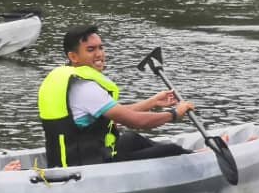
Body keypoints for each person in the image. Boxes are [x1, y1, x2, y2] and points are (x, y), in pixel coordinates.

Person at [37, 25, 197, 168]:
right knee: (172, 150)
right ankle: (195, 156)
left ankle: (192, 154)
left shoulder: (68, 80)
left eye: (101, 48)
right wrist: (175, 114)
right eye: (91, 50)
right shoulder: (85, 88)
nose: (99, 54)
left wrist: (152, 102)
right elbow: (136, 121)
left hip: (75, 159)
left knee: (130, 138)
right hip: (90, 167)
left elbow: (117, 113)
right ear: (73, 57)